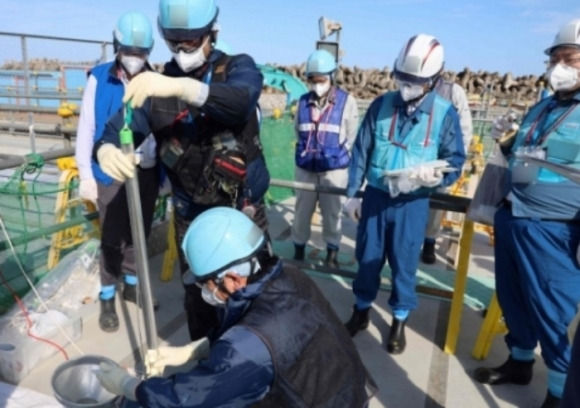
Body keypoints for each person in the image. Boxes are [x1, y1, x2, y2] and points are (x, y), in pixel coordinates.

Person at [93, 0, 270, 341]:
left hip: (239, 210)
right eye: (174, 43)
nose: (182, 50)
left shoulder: (237, 68)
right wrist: (104, 148)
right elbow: (118, 126)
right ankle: (204, 360)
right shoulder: (156, 86)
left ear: (211, 34)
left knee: (251, 293)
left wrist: (183, 88)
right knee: (199, 297)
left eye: (189, 42)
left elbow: (241, 99)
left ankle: (252, 364)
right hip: (191, 214)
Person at [95, 206, 377, 407]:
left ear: (231, 278)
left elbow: (184, 399)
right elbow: (282, 344)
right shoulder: (290, 276)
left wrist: (128, 386)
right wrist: (199, 349)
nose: (204, 289)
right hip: (343, 392)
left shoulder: (247, 346)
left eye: (204, 282)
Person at [473, 19, 580, 408]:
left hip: (556, 230)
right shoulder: (543, 106)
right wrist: (507, 136)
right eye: (554, 59)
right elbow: (524, 150)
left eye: (569, 59)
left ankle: (558, 391)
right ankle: (519, 363)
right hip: (514, 217)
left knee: (552, 311)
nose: (559, 67)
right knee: (513, 299)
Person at [342, 34, 465, 354]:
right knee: (367, 258)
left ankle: (398, 320)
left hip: (413, 202)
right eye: (403, 78)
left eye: (416, 81)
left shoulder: (444, 113)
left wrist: (435, 176)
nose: (407, 85)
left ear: (434, 80)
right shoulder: (381, 105)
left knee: (404, 262)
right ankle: (361, 311)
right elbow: (361, 150)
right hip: (376, 197)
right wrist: (353, 193)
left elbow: (455, 161)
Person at [75, 11, 160, 333]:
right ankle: (108, 295)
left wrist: (161, 173)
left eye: (142, 53)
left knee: (139, 235)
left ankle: (133, 284)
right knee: (111, 239)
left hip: (146, 171)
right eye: (131, 52)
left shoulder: (155, 81)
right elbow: (87, 130)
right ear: (117, 47)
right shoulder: (99, 78)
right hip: (109, 171)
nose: (136, 59)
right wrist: (85, 173)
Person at [291, 49, 359, 268]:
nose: (316, 84)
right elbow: (297, 130)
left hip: (334, 169)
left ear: (331, 76)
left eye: (321, 80)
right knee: (302, 212)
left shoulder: (347, 102)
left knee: (332, 214)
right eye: (312, 80)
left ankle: (332, 251)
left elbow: (352, 136)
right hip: (306, 168)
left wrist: (337, 156)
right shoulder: (302, 102)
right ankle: (299, 249)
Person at [420, 76, 473, 264]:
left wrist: (455, 161)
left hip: (441, 158)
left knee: (436, 201)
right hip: (416, 155)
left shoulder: (454, 92)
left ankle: (429, 241)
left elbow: (465, 129)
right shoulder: (413, 86)